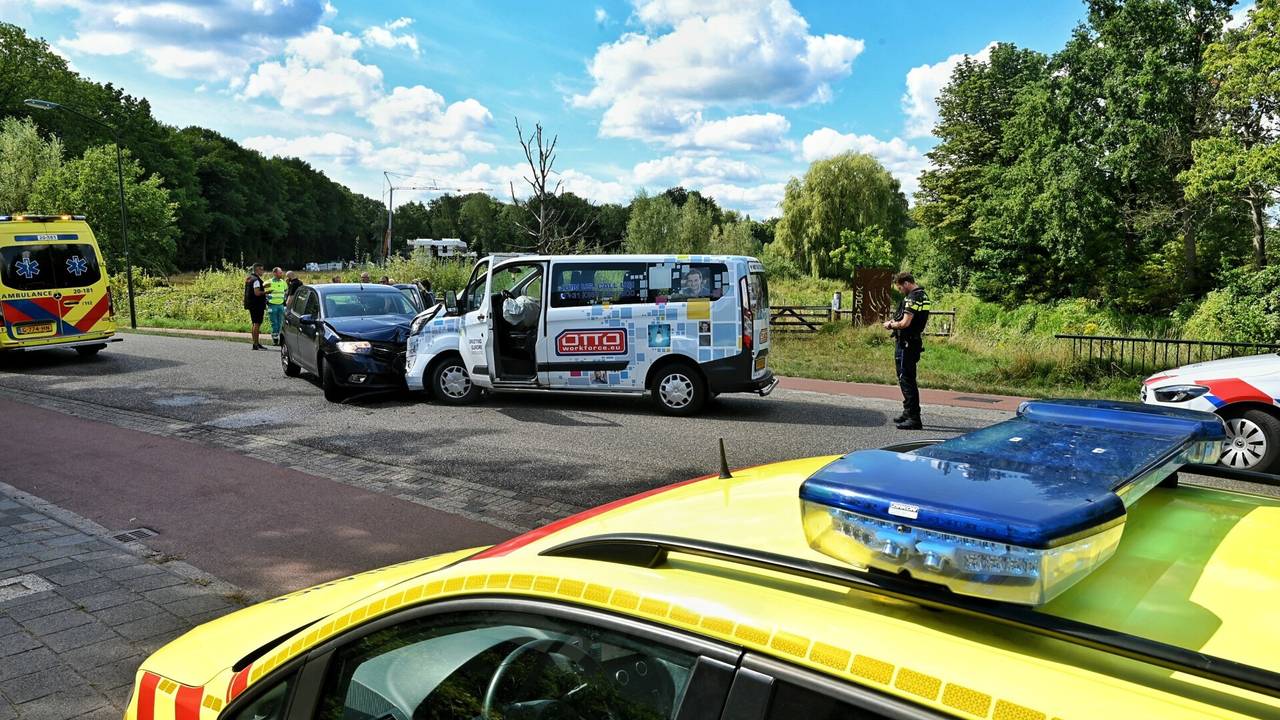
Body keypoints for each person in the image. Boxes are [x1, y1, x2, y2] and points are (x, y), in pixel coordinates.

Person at [882, 271, 931, 429]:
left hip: (907, 344)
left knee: (906, 379)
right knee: (906, 377)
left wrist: (890, 324)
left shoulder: (912, 298)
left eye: (900, 288)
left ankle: (914, 418)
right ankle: (908, 412)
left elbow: (905, 323)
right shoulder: (923, 295)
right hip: (912, 342)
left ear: (906, 283)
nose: (900, 291)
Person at [243, 264, 268, 351]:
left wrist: (264, 287)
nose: (263, 272)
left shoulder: (249, 278)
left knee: (254, 323)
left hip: (251, 304)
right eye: (262, 270)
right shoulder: (256, 280)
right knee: (257, 324)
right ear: (257, 270)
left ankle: (256, 342)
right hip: (257, 305)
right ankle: (255, 344)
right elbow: (257, 293)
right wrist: (266, 292)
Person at [264, 267, 288, 346]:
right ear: (274, 273)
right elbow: (262, 292)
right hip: (272, 305)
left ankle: (280, 339)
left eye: (281, 272)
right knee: (274, 323)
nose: (281, 274)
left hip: (281, 305)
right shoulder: (268, 282)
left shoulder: (283, 282)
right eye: (280, 273)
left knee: (281, 323)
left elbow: (286, 291)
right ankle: (275, 339)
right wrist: (267, 298)